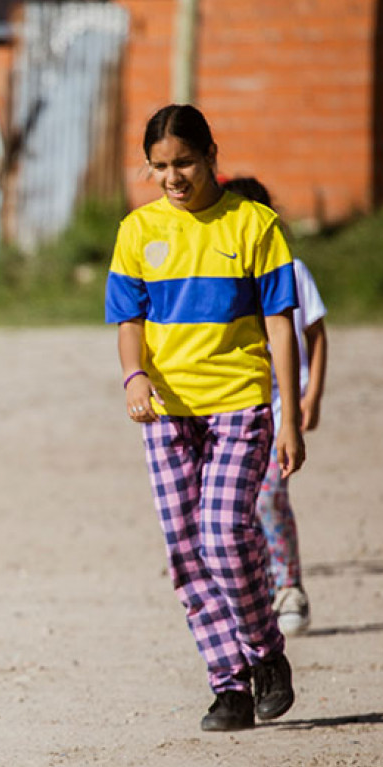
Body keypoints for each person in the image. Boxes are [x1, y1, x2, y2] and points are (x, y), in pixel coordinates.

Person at [105, 104, 304, 732]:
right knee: (186, 551)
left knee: (223, 533)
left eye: (184, 161)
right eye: (160, 166)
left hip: (240, 404)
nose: (173, 176)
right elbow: (128, 321)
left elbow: (281, 324)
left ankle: (266, 651)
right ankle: (229, 684)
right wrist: (134, 376)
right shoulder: (137, 230)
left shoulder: (254, 224)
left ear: (211, 155)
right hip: (166, 414)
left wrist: (289, 415)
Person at [222, 177, 329, 635]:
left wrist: (312, 395)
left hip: (280, 404)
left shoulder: (291, 270)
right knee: (231, 509)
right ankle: (252, 593)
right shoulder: (219, 274)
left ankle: (289, 587)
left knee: (269, 495)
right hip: (230, 405)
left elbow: (314, 334)